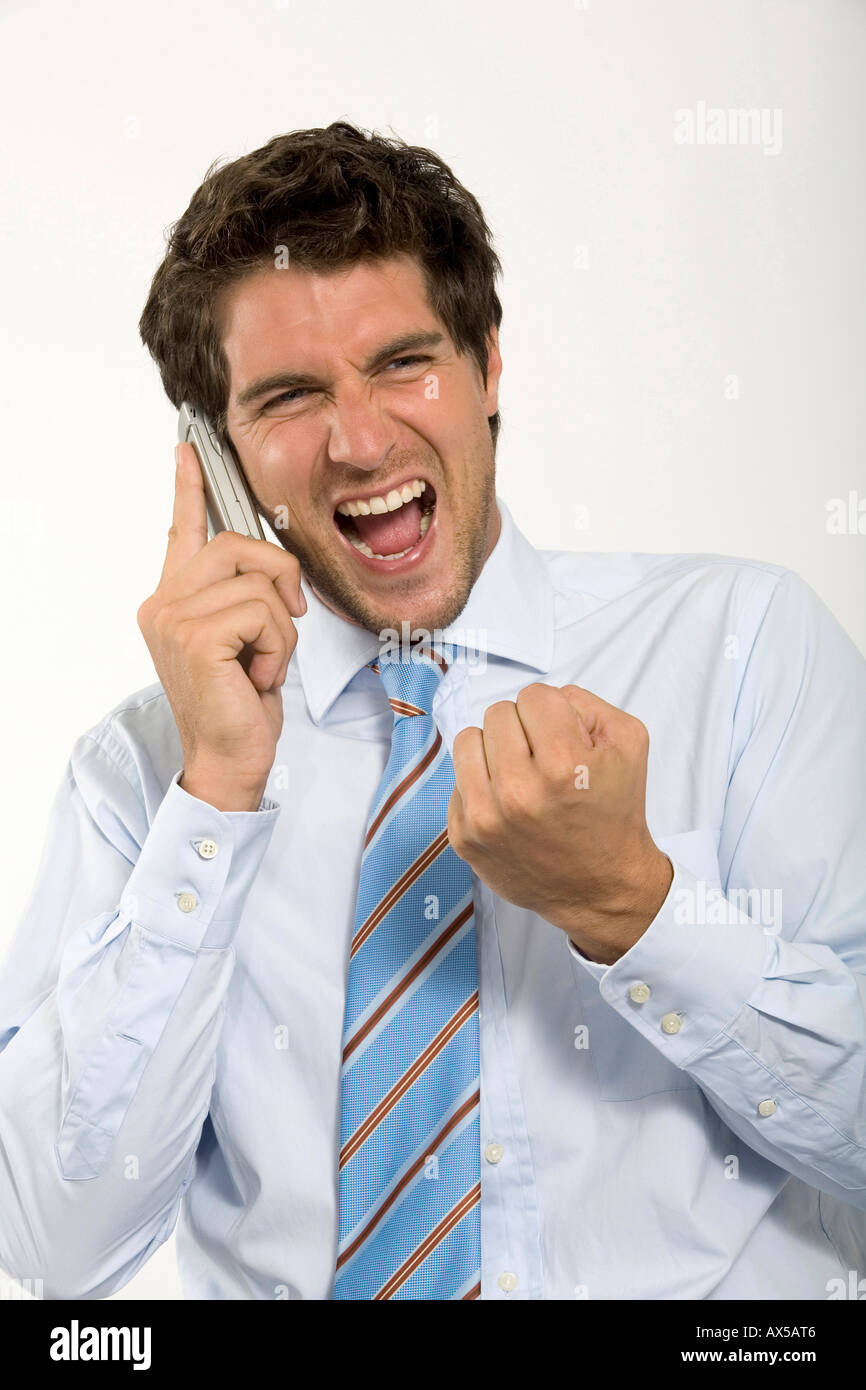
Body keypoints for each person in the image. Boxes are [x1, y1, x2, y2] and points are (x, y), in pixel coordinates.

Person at [0, 121, 864, 1302]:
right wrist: (212, 796)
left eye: (404, 362)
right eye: (291, 396)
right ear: (219, 450)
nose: (359, 442)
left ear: (487, 366)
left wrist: (631, 906)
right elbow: (51, 1258)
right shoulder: (142, 774)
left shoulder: (740, 645)